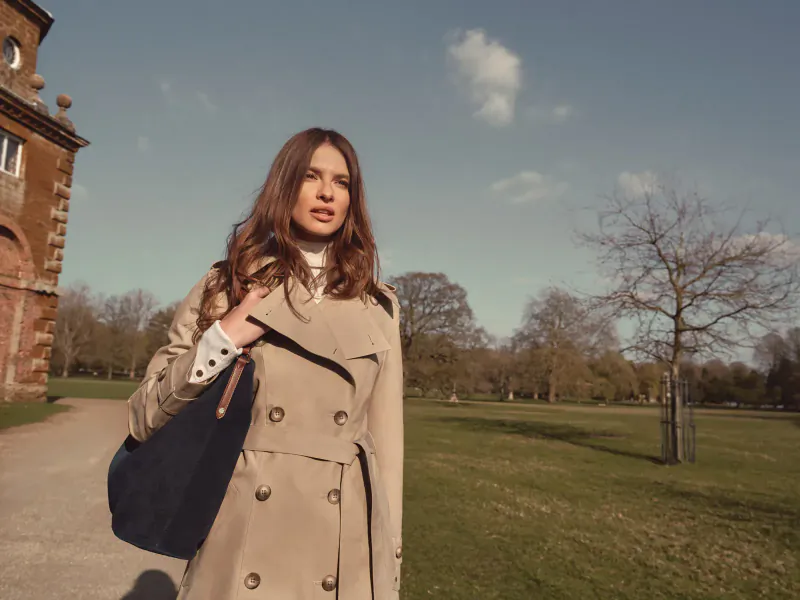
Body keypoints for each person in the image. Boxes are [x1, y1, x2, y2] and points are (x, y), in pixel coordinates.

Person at [126, 128, 404, 599]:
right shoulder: (227, 284)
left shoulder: (380, 305)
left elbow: (388, 447)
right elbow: (142, 416)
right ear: (284, 186)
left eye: (341, 182)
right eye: (311, 176)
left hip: (343, 542)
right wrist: (223, 338)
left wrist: (389, 559)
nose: (326, 193)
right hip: (243, 533)